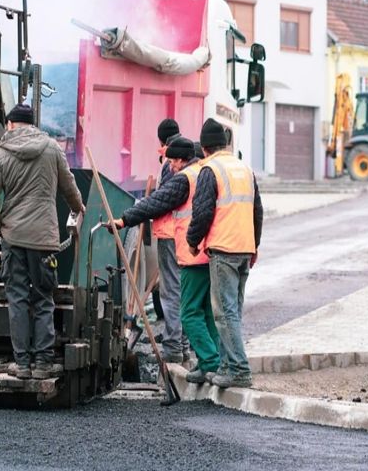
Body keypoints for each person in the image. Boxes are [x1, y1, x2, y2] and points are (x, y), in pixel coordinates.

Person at [0, 103, 85, 380]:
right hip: (45, 240)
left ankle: (22, 364)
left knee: (17, 298)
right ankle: (44, 365)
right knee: (43, 299)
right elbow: (70, 190)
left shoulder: (2, 155)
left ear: (11, 124)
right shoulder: (51, 148)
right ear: (32, 124)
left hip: (14, 239)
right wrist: (78, 208)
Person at [107, 137, 221, 376]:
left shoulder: (185, 178)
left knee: (187, 308)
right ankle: (211, 358)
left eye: (172, 161)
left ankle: (200, 358)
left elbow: (158, 202)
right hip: (208, 249)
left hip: (191, 251)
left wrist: (124, 219)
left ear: (181, 160)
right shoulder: (206, 170)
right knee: (205, 309)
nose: (169, 166)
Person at [187, 118, 263, 389]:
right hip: (244, 247)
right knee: (234, 311)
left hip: (224, 249)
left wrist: (193, 240)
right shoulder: (244, 168)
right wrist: (255, 246)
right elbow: (257, 211)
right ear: (226, 143)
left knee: (224, 313)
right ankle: (226, 366)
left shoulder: (210, 169)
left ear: (205, 148)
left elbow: (203, 211)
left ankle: (239, 371)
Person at [148, 118, 189, 362]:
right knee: (183, 290)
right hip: (184, 235)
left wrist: (139, 211)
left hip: (169, 234)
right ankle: (182, 345)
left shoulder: (170, 162)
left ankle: (173, 348)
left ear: (161, 140)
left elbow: (164, 199)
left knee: (171, 291)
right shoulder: (187, 154)